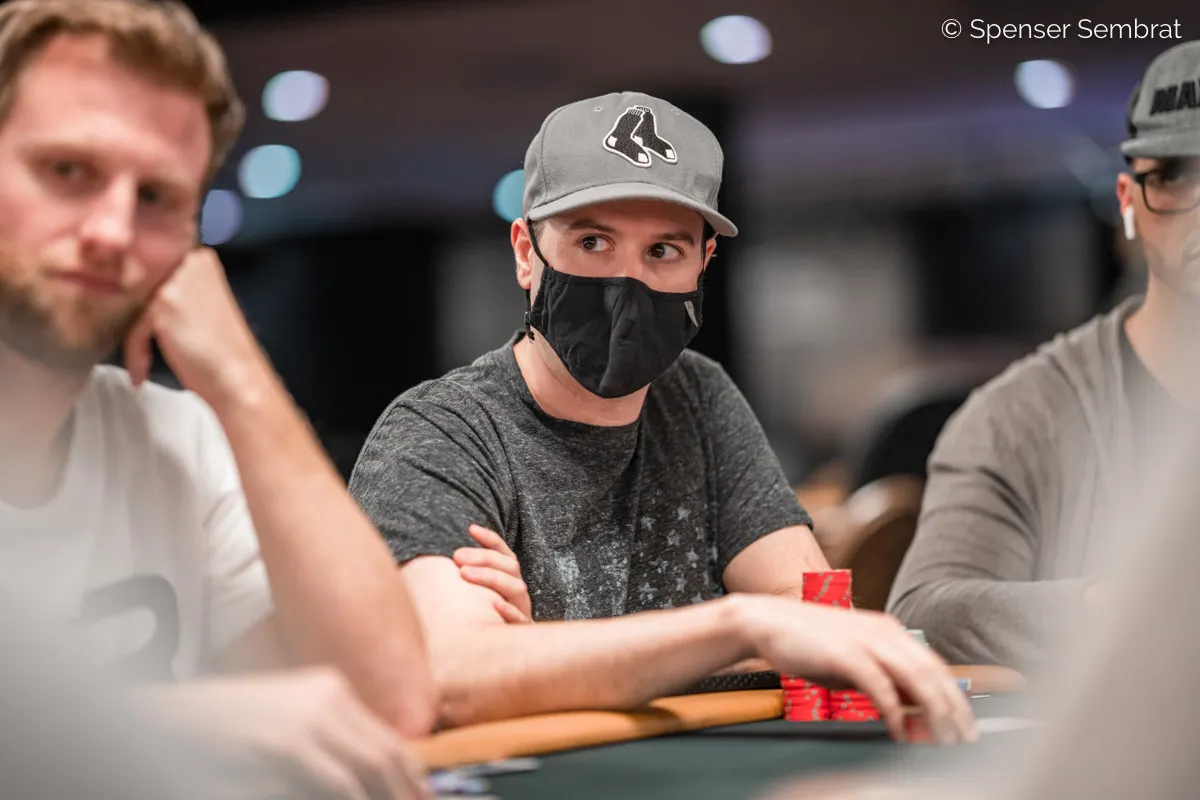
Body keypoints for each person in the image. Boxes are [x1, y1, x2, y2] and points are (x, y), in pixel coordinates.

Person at [351, 91, 976, 745]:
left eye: (663, 251)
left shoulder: (697, 396)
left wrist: (547, 658)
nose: (628, 282)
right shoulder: (440, 434)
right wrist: (737, 627)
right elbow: (456, 678)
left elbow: (815, 619)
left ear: (704, 263)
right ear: (525, 253)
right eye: (593, 241)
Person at [0, 1, 435, 796]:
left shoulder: (179, 436)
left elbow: (389, 703)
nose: (112, 232)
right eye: (68, 171)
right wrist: (164, 723)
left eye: (157, 199)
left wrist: (238, 375)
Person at [887, 40, 1200, 669]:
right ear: (1128, 202)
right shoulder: (1020, 417)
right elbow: (924, 612)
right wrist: (1116, 607)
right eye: (1174, 176)